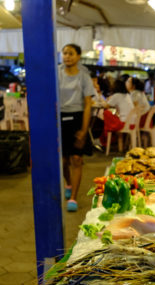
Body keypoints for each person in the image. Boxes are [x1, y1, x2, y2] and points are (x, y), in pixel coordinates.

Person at [59, 43, 95, 212]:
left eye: (71, 53)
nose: (67, 56)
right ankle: (68, 183)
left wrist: (83, 129)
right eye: (65, 53)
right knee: (64, 160)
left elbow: (88, 104)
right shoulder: (57, 74)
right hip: (59, 118)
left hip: (78, 118)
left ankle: (73, 197)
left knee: (76, 159)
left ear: (78, 56)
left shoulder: (84, 77)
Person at [99, 79, 134, 147]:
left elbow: (106, 106)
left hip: (124, 123)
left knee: (106, 113)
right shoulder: (127, 95)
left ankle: (106, 139)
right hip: (132, 123)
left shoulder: (117, 95)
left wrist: (100, 98)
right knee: (110, 115)